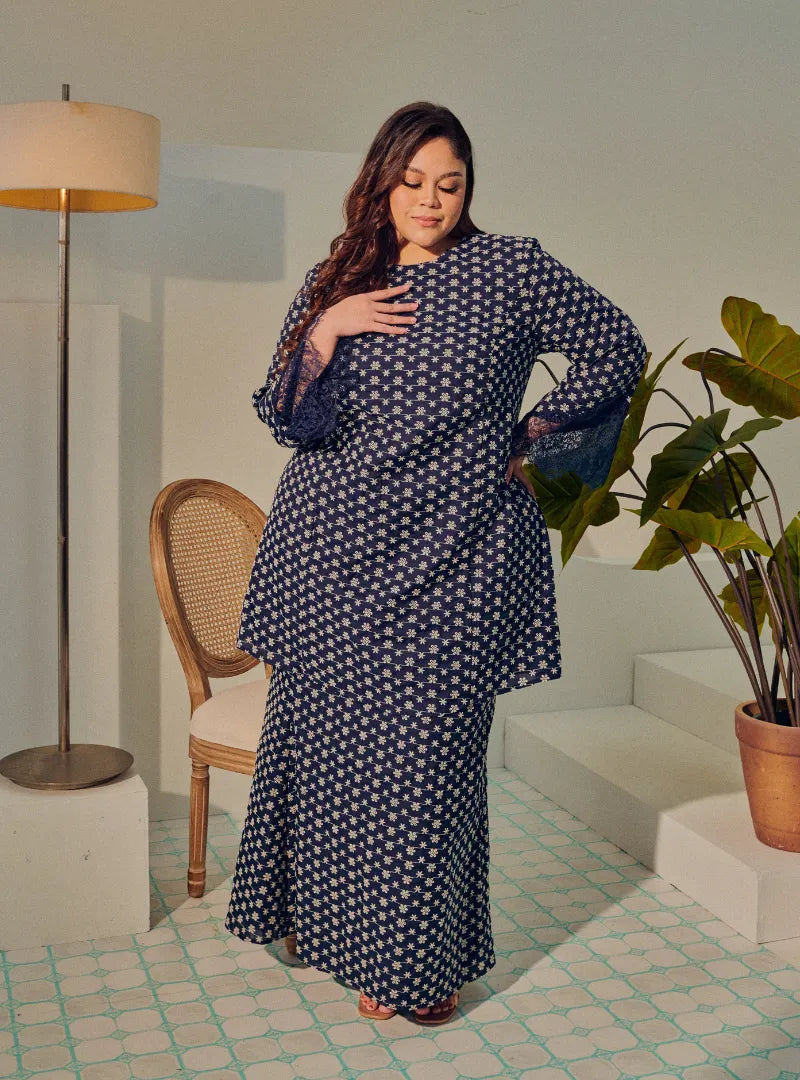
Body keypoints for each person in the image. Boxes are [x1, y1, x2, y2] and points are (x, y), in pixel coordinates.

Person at [225, 101, 647, 1025]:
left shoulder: (508, 269)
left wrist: (534, 442)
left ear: (469, 188)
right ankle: (327, 928)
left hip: (454, 554)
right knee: (332, 756)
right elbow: (286, 415)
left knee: (427, 766)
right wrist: (326, 329)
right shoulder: (337, 281)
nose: (430, 200)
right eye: (411, 181)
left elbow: (618, 346)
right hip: (333, 552)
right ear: (381, 182)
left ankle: (412, 966)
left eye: (449, 183)